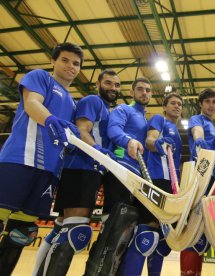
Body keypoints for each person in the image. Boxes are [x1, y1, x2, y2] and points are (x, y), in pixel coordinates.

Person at [0, 42, 83, 275]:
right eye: (65, 60)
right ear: (53, 61)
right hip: (20, 159)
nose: (71, 66)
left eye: (76, 64)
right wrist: (50, 120)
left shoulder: (74, 103)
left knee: (21, 233)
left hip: (49, 171)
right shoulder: (41, 78)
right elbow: (32, 103)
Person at [33, 69, 121, 275]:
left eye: (117, 85)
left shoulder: (108, 110)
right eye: (108, 83)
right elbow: (82, 130)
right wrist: (99, 153)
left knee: (62, 227)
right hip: (81, 166)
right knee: (75, 228)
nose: (113, 88)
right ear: (97, 85)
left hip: (89, 169)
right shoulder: (93, 101)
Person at [83, 77, 152, 275]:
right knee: (112, 230)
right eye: (140, 89)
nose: (144, 93)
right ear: (132, 92)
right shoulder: (123, 110)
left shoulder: (145, 120)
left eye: (148, 90)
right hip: (119, 172)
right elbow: (114, 130)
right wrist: (128, 140)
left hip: (136, 179)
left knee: (125, 234)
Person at [119, 92, 183, 276]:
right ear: (164, 107)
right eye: (172, 103)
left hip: (170, 186)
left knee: (161, 241)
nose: (176, 106)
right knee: (146, 234)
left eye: (179, 104)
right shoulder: (158, 119)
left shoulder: (177, 131)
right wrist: (158, 143)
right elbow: (149, 141)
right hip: (154, 180)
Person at [180, 88, 215, 276]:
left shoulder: (213, 125)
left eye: (214, 102)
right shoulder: (198, 120)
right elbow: (197, 132)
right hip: (198, 178)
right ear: (201, 104)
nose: (211, 105)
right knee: (192, 229)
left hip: (211, 180)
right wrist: (199, 140)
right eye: (208, 102)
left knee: (203, 231)